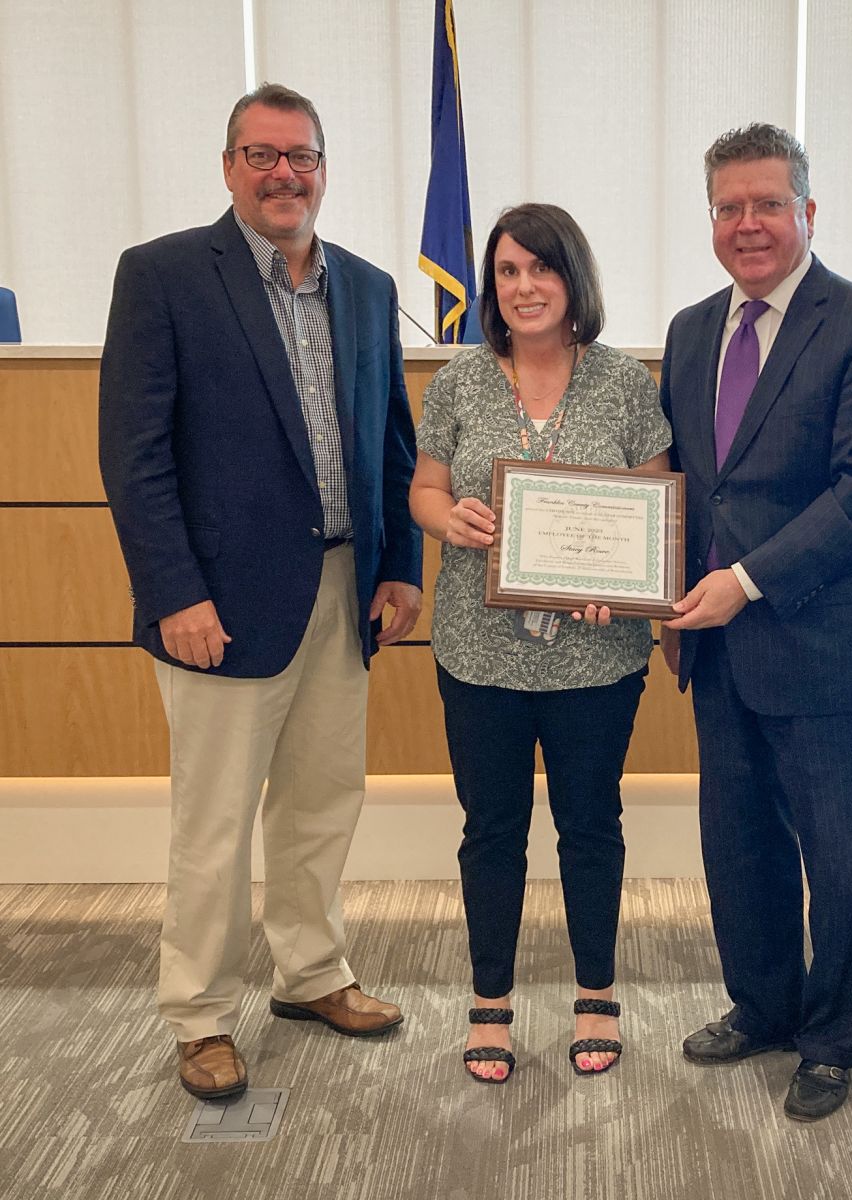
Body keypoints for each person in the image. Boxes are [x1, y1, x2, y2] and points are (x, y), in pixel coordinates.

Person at [99, 83, 422, 1101]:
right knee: (215, 819)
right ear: (229, 166)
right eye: (262, 154)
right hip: (220, 606)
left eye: (302, 155)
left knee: (323, 802)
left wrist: (402, 564)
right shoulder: (162, 278)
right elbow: (134, 454)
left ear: (325, 167)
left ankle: (311, 972)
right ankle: (197, 1014)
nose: (284, 174)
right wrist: (173, 593)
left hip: (342, 589)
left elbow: (392, 441)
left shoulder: (366, 289)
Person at [659, 124, 852, 1121]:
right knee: (740, 844)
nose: (748, 223)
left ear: (808, 212)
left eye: (768, 203)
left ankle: (830, 1042)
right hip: (719, 649)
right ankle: (762, 1004)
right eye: (729, 207)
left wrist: (745, 581)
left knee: (843, 855)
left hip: (830, 645)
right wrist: (670, 598)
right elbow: (686, 486)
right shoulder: (690, 331)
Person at [409, 203, 671, 1084]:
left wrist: (622, 586)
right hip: (477, 653)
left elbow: (655, 511)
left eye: (541, 268)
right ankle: (491, 1003)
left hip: (596, 660)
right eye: (507, 271)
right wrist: (451, 518)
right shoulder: (459, 381)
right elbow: (424, 490)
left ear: (573, 280)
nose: (523, 287)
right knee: (492, 829)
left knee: (590, 826)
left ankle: (595, 991)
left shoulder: (627, 384)